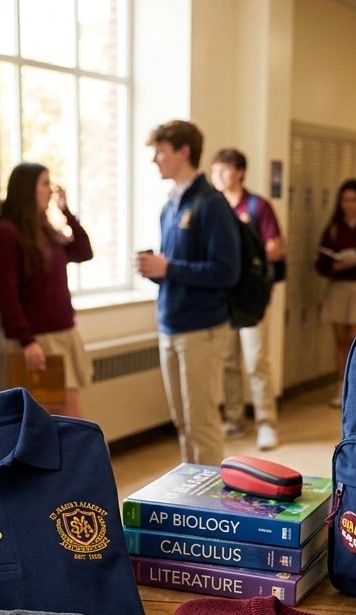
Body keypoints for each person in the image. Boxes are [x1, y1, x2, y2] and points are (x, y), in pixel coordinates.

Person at [137, 120, 240, 468]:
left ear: (183, 152)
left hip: (202, 329)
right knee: (182, 423)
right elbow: (177, 268)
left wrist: (170, 269)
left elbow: (227, 272)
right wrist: (157, 271)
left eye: (161, 151)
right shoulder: (170, 206)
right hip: (171, 323)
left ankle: (210, 507)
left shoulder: (211, 204)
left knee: (202, 425)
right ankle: (190, 497)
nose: (155, 159)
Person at [0, 162, 93, 419]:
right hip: (38, 341)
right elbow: (6, 295)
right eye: (45, 184)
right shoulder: (7, 234)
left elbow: (82, 251)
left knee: (67, 420)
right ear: (27, 189)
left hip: (62, 335)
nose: (51, 190)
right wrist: (27, 341)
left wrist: (66, 211)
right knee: (62, 420)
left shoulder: (44, 230)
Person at [209, 147, 283, 450]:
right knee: (227, 361)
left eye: (224, 170)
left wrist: (242, 259)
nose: (219, 177)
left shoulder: (257, 206)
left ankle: (266, 422)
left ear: (239, 171)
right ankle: (234, 418)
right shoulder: (215, 207)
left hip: (251, 297)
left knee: (255, 360)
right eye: (215, 171)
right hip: (224, 297)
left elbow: (276, 248)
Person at [314, 179, 356, 406]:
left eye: (353, 200)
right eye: (344, 201)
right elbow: (320, 263)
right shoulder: (333, 228)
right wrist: (336, 265)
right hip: (339, 287)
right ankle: (341, 386)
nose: (349, 205)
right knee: (340, 340)